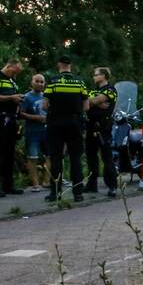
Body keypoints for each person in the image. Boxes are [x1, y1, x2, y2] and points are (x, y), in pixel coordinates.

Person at [43, 55, 90, 202]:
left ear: (59, 64)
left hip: (56, 123)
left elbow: (45, 105)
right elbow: (87, 106)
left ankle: (55, 193)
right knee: (76, 158)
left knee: (56, 157)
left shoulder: (53, 81)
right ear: (70, 65)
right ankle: (78, 193)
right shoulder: (79, 82)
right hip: (74, 123)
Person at [0, 58, 24, 198]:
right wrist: (11, 98)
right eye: (16, 71)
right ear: (9, 66)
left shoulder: (12, 81)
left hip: (11, 119)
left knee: (10, 154)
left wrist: (18, 102)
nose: (16, 74)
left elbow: (13, 98)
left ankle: (8, 185)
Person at [85, 67, 119, 197]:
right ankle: (91, 185)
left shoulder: (110, 90)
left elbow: (93, 101)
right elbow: (88, 102)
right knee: (91, 158)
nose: (94, 76)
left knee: (107, 158)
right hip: (90, 127)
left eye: (96, 74)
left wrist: (94, 102)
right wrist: (96, 102)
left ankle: (112, 186)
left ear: (104, 76)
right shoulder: (94, 90)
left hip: (103, 128)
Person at [21, 73, 49, 192]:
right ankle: (35, 184)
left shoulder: (46, 96)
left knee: (50, 155)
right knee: (33, 157)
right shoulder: (26, 97)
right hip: (32, 131)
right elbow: (20, 113)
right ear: (31, 82)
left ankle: (47, 181)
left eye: (42, 82)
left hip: (47, 131)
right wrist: (35, 118)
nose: (39, 84)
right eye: (37, 81)